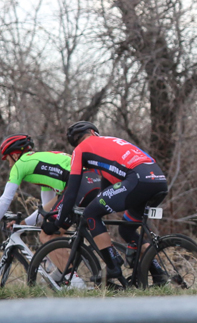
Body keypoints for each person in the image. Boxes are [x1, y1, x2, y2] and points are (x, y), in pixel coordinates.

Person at [46, 121, 168, 286]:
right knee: (127, 229)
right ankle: (158, 274)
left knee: (91, 214)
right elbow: (104, 191)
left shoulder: (80, 150)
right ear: (93, 132)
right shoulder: (110, 142)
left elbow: (71, 192)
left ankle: (112, 265)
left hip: (137, 180)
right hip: (158, 181)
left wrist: (58, 222)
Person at [0, 134, 96, 289]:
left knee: (47, 234)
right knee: (52, 227)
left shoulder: (21, 164)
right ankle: (62, 275)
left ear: (15, 154)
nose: (10, 165)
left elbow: (5, 199)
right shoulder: (42, 164)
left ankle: (76, 284)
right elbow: (47, 208)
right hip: (91, 181)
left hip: (79, 185)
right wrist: (24, 223)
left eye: (8, 160)